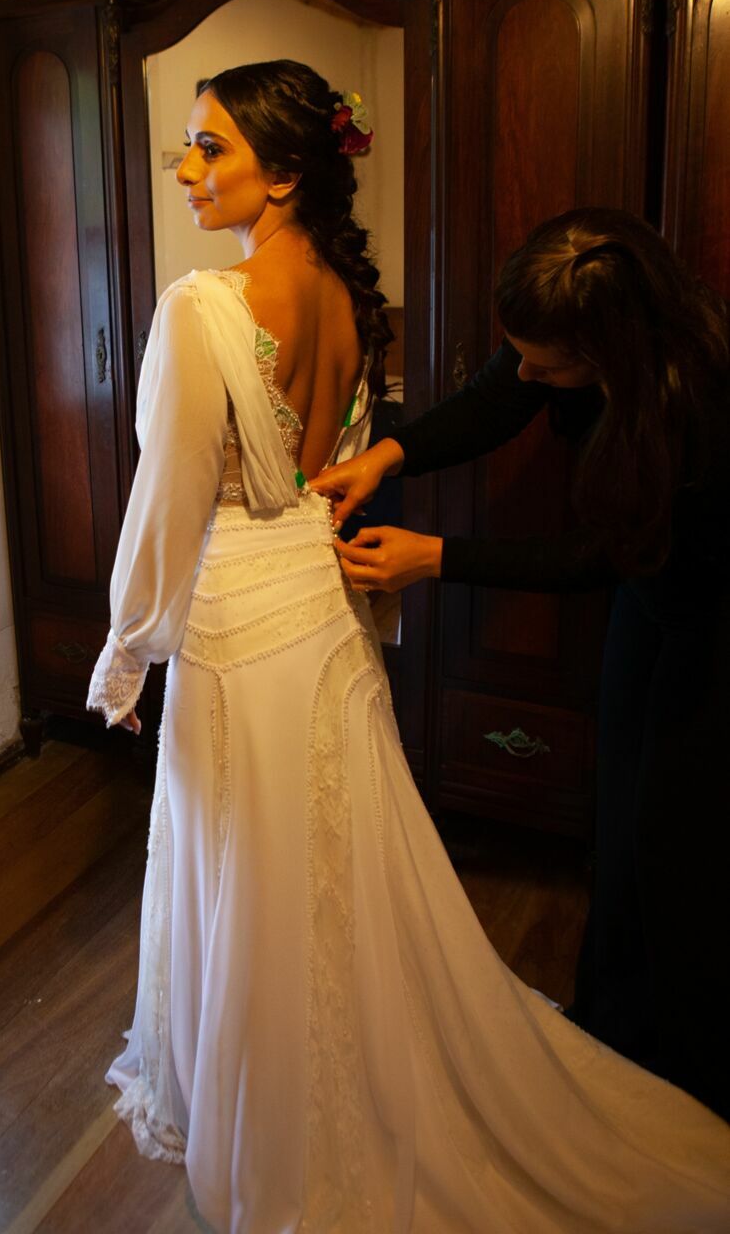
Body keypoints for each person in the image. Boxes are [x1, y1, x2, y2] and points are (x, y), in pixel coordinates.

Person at [86, 68, 730, 1233]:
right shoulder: (338, 289)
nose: (184, 171)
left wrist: (128, 648)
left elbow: (169, 497)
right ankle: (449, 1054)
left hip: (250, 616)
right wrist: (385, 455)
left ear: (281, 171)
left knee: (260, 869)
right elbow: (462, 405)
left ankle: (294, 1114)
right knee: (340, 868)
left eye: (207, 150)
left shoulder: (200, 306)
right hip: (322, 613)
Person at [312, 208, 730, 1128]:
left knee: (679, 847)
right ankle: (614, 1031)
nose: (531, 378)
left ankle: (694, 1078)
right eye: (523, 356)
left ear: (612, 352)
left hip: (711, 625)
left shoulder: (697, 404)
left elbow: (606, 555)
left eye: (550, 367)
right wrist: (390, 452)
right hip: (648, 610)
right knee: (616, 825)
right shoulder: (567, 345)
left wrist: (439, 559)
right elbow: (498, 398)